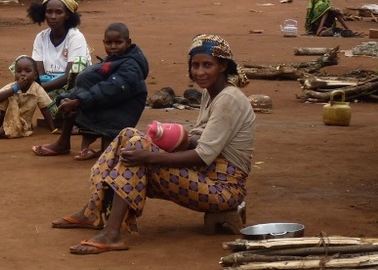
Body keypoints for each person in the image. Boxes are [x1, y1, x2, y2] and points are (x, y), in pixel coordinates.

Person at [51, 34, 254, 254]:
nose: (200, 72)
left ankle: (111, 234)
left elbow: (202, 155)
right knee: (129, 135)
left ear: (223, 66)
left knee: (139, 149)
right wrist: (162, 136)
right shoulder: (211, 93)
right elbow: (197, 139)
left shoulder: (228, 99)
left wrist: (149, 155)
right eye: (195, 65)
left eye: (207, 65)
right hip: (205, 174)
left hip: (222, 189)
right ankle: (92, 211)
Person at [31, 23, 148, 160]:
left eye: (118, 42)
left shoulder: (131, 66)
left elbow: (110, 89)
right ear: (104, 43)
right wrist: (67, 97)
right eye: (109, 43)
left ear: (128, 43)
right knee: (69, 100)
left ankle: (103, 148)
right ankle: (64, 143)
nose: (113, 47)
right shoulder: (117, 60)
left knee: (76, 102)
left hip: (120, 112)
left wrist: (78, 100)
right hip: (109, 104)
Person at [26, 0, 90, 128]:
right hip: (48, 85)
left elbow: (69, 76)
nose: (53, 17)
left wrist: (37, 89)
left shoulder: (75, 37)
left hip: (72, 86)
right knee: (21, 63)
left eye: (58, 12)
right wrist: (38, 87)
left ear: (67, 15)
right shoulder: (41, 37)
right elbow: (39, 72)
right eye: (49, 12)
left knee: (78, 67)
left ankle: (71, 112)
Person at [0, 55, 52, 142]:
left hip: (20, 123)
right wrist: (16, 87)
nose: (23, 74)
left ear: (35, 75)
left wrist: (53, 129)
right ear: (15, 75)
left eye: (27, 71)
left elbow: (45, 109)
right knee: (2, 100)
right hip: (4, 117)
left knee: (8, 128)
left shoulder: (37, 89)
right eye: (19, 71)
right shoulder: (12, 87)